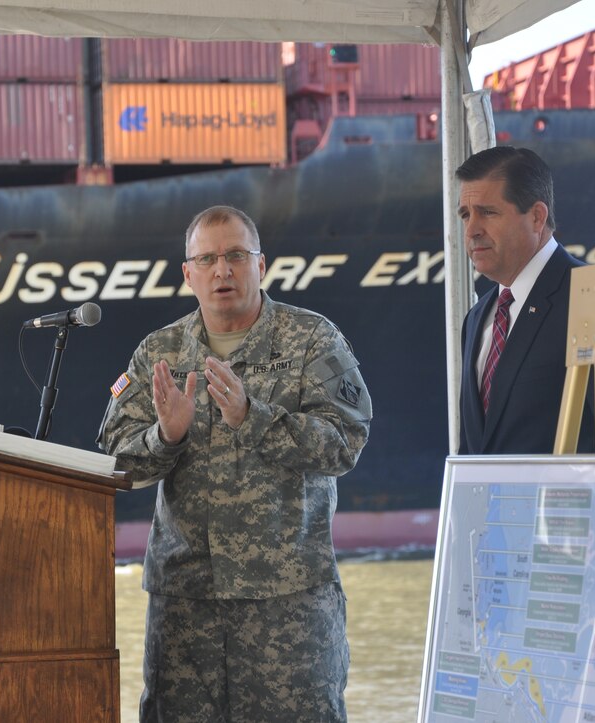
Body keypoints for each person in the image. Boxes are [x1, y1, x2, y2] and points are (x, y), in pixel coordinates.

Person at [98, 205, 372, 722]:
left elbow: (346, 442)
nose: (222, 270)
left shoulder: (312, 340)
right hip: (187, 611)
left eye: (236, 256)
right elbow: (113, 461)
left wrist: (253, 417)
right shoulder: (157, 352)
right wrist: (167, 436)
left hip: (287, 607)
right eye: (207, 258)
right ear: (188, 273)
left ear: (260, 265)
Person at [455, 146, 595, 455]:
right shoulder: (477, 317)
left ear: (537, 216)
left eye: (488, 212)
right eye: (465, 214)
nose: (471, 230)